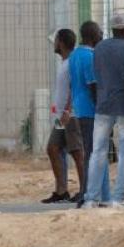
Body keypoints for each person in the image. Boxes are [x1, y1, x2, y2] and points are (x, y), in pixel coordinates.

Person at [81, 13, 124, 209]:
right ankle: (119, 197)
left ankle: (91, 198)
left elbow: (97, 76)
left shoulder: (99, 49)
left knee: (98, 152)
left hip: (103, 105)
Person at [69, 21, 110, 206]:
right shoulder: (90, 57)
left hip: (80, 110)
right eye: (100, 33)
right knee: (95, 153)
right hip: (92, 111)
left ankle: (98, 195)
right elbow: (93, 85)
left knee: (93, 152)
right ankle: (91, 195)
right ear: (92, 36)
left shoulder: (74, 55)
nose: (102, 36)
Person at [41, 28, 85, 204]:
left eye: (56, 40)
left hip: (71, 116)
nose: (54, 43)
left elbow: (76, 87)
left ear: (62, 42)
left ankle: (84, 190)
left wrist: (68, 109)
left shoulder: (72, 62)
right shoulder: (64, 62)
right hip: (62, 117)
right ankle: (61, 191)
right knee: (53, 147)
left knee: (77, 152)